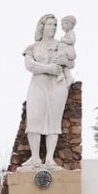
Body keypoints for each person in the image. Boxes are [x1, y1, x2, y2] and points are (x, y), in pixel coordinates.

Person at [21, 13, 70, 168]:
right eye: (50, 24)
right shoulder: (33, 47)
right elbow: (30, 66)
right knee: (34, 118)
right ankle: (35, 157)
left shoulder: (61, 45)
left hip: (57, 86)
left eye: (55, 25)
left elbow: (70, 62)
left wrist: (63, 61)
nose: (53, 28)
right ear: (42, 27)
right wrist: (48, 68)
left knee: (54, 122)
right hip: (38, 85)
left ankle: (49, 158)